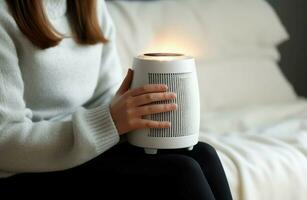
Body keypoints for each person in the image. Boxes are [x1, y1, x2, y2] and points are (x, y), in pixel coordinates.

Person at [0, 0, 233, 199]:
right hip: (21, 168)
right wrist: (108, 121)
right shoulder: (4, 14)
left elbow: (105, 97)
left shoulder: (90, 5)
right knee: (181, 171)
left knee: (203, 154)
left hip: (79, 153)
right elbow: (4, 140)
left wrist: (130, 117)